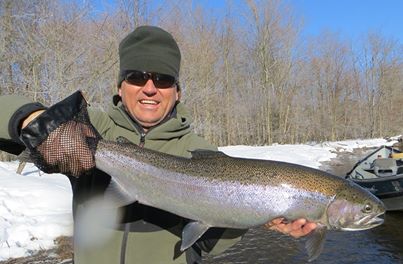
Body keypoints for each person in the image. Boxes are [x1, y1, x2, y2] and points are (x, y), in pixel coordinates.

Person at [0, 26, 316, 264]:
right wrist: (33, 120)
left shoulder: (202, 153)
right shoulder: (90, 128)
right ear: (120, 86)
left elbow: (206, 245)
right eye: (137, 77)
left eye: (163, 79)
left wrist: (254, 215)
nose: (150, 88)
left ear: (177, 92)